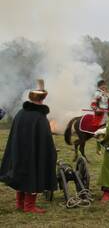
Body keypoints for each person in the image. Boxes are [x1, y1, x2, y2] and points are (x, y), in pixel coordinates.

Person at [0, 79, 57, 213]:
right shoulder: (39, 117)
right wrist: (50, 152)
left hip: (19, 152)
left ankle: (20, 204)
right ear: (42, 100)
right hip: (34, 153)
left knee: (21, 175)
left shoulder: (20, 113)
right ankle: (29, 206)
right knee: (33, 175)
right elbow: (45, 139)